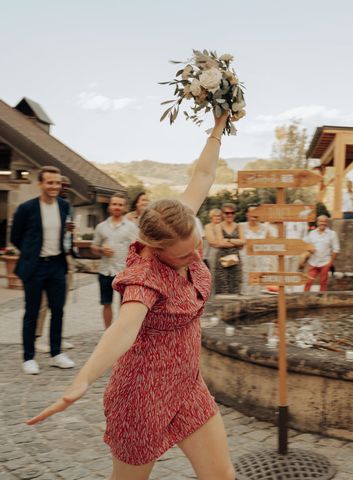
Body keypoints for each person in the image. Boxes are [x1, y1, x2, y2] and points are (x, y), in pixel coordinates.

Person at [26, 113, 235, 480]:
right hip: (141, 396)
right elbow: (123, 329)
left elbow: (202, 176)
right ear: (156, 249)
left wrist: (218, 128)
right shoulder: (144, 276)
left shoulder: (177, 222)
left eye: (198, 246)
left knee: (222, 477)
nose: (196, 257)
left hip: (186, 385)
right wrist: (83, 381)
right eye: (185, 255)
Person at [11, 166, 76, 374]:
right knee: (32, 312)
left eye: (57, 183)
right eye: (50, 182)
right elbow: (16, 236)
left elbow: (67, 234)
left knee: (58, 311)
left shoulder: (65, 206)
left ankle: (56, 353)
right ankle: (28, 357)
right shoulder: (26, 208)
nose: (54, 186)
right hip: (36, 266)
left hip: (57, 265)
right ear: (40, 184)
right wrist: (31, 254)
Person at [35, 175, 75, 353]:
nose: (62, 188)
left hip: (65, 255)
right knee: (44, 301)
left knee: (61, 300)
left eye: (64, 185)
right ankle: (37, 337)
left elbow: (68, 231)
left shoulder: (67, 205)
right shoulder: (48, 205)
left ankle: (56, 338)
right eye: (61, 184)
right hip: (49, 258)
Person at [91, 193, 138, 328]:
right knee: (106, 303)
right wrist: (101, 250)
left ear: (125, 207)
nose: (117, 207)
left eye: (120, 205)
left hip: (124, 272)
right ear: (109, 206)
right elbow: (93, 246)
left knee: (124, 305)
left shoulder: (131, 227)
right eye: (114, 204)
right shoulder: (101, 227)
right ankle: (108, 332)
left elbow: (138, 247)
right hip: (105, 271)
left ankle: (121, 334)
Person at [240, 205, 275, 295]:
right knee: (247, 285)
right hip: (246, 261)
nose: (254, 215)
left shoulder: (265, 228)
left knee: (261, 286)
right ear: (247, 214)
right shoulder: (241, 226)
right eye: (252, 213)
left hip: (262, 262)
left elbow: (272, 243)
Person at [211, 203, 245, 295]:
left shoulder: (239, 226)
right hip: (222, 260)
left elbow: (243, 242)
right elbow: (220, 242)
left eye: (232, 213)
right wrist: (236, 242)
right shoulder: (218, 226)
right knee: (222, 286)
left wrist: (228, 240)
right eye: (227, 213)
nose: (229, 215)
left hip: (236, 260)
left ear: (234, 214)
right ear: (223, 214)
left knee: (235, 284)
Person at [303, 215, 340, 292]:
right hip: (313, 262)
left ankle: (321, 300)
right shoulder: (312, 233)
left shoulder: (332, 234)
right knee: (308, 282)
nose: (322, 223)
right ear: (317, 222)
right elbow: (304, 244)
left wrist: (330, 263)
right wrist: (309, 250)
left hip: (325, 262)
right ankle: (305, 299)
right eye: (320, 221)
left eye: (324, 221)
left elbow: (336, 249)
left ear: (327, 223)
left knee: (323, 283)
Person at [203, 208, 222, 275]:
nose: (218, 217)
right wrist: (225, 243)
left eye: (219, 216)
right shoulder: (208, 227)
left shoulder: (222, 226)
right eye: (216, 216)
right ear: (211, 217)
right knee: (213, 275)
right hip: (210, 255)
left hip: (222, 255)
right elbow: (212, 242)